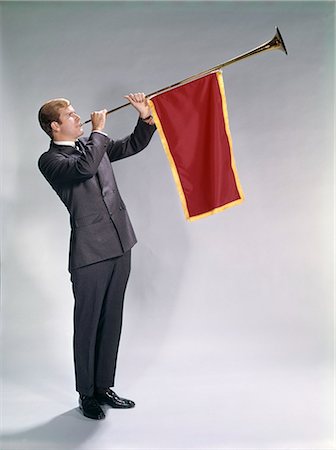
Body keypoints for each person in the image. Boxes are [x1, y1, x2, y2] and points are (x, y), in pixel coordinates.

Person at [38, 94, 156, 420]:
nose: (79, 118)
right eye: (71, 115)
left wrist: (145, 118)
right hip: (90, 254)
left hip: (120, 245)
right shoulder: (51, 161)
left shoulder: (93, 145)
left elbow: (132, 145)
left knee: (111, 321)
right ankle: (86, 394)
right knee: (87, 325)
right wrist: (99, 133)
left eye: (77, 114)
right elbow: (84, 168)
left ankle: (104, 387)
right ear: (54, 126)